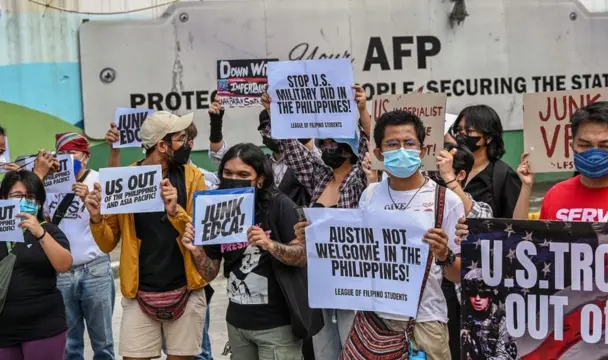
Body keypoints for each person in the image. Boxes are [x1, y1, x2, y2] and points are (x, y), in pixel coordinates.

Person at [83, 111, 210, 360]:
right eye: (181, 138)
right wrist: (97, 218)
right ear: (162, 146)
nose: (188, 144)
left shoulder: (193, 177)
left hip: (186, 291)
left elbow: (201, 235)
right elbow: (108, 243)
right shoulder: (126, 179)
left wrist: (176, 212)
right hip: (138, 294)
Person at [259, 84, 371, 358]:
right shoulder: (319, 177)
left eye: (336, 144)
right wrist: (272, 110)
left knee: (353, 348)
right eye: (325, 143)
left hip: (353, 279)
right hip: (320, 278)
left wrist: (362, 109)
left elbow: (371, 143)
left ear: (350, 148)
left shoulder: (360, 179)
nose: (329, 148)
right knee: (324, 351)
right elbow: (290, 147)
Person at [358, 110, 465, 359]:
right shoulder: (370, 196)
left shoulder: (446, 201)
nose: (402, 150)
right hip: (376, 322)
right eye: (393, 144)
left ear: (422, 150)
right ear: (378, 154)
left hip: (425, 323)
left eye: (409, 143)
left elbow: (460, 275)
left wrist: (444, 254)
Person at [195, 143, 314, 359]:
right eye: (228, 173)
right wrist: (195, 250)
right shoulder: (217, 210)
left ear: (260, 179)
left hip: (277, 326)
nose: (233, 178)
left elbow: (302, 256)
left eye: (243, 174)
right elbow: (210, 272)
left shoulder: (279, 206)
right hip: (238, 324)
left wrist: (270, 245)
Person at [42, 133, 116, 360]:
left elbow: (111, 224)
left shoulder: (98, 180)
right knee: (69, 345)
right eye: (61, 154)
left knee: (103, 344)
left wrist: (90, 201)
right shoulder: (48, 184)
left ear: (86, 156)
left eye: (72, 153)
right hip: (62, 273)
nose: (66, 158)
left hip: (95, 270)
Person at [509, 101, 608, 223]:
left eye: (605, 145)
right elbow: (525, 238)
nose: (594, 154)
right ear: (572, 146)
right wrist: (526, 187)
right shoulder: (555, 195)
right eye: (584, 145)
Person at [0, 170, 73, 360]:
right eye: (17, 196)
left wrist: (39, 233)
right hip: (4, 330)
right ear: (4, 198)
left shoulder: (49, 230)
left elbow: (64, 264)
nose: (24, 201)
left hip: (43, 327)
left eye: (30, 197)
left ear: (39, 202)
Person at [432, 142, 493, 360]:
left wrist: (448, 179)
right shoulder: (422, 203)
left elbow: (482, 223)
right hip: (430, 295)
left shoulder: (478, 207)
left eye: (441, 171)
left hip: (459, 295)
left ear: (460, 174)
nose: (435, 178)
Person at [451, 105, 521, 218]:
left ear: (488, 137)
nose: (461, 135)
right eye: (458, 130)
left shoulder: (504, 176)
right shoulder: (448, 168)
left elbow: (514, 223)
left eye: (469, 131)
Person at [460, 269, 517, 360]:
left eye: (483, 294)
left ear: (490, 295)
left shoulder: (501, 318)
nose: (477, 299)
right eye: (473, 293)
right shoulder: (461, 315)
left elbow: (508, 356)